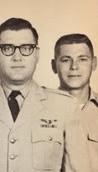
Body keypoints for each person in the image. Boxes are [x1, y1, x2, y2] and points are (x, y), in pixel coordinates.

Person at [0, 18, 90, 172]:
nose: (17, 57)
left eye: (26, 48)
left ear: (37, 54)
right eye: (8, 48)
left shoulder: (65, 107)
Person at [52, 33, 98, 171]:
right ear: (54, 66)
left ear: (94, 63)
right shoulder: (40, 108)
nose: (74, 67)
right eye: (66, 60)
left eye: (82, 59)